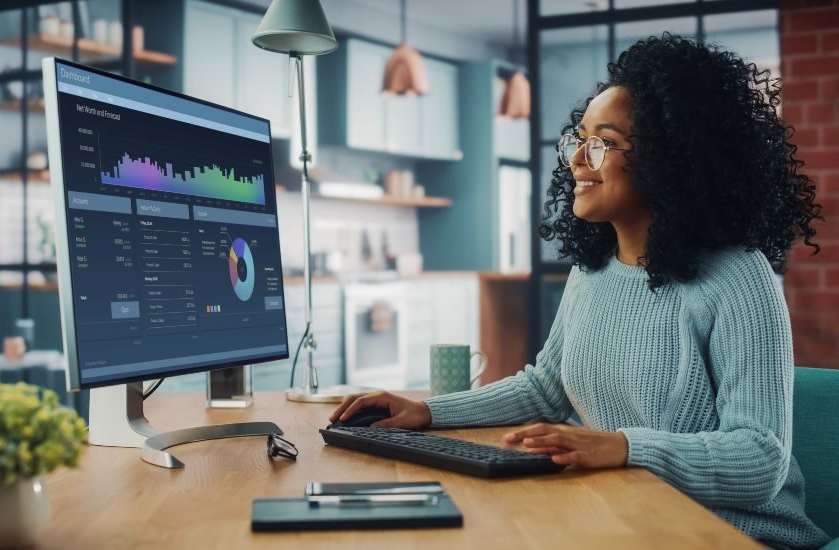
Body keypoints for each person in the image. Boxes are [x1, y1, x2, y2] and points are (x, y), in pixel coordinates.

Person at [330, 34, 830, 549]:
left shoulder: (736, 278)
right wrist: (429, 412)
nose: (576, 160)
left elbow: (760, 459)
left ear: (669, 159)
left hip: (736, 536)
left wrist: (621, 446)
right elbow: (546, 388)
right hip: (631, 517)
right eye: (578, 139)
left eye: (602, 143)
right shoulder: (592, 271)